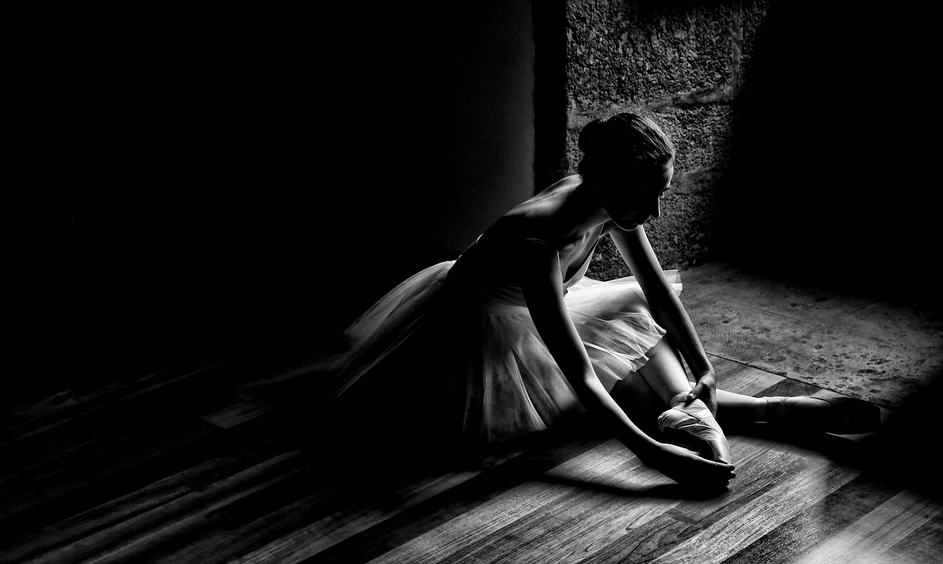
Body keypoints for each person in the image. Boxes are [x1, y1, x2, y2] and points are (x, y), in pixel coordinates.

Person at [333, 112, 878, 490]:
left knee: (633, 310)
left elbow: (657, 291)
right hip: (471, 331)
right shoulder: (538, 241)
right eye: (646, 196)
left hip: (535, 306)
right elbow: (579, 375)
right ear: (606, 185)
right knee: (624, 392)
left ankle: (714, 406)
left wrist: (705, 367)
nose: (655, 212)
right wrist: (654, 457)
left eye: (661, 192)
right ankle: (740, 414)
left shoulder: (610, 201)